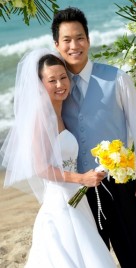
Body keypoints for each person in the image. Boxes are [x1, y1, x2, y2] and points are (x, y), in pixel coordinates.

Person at [51, 7, 136, 268]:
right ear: (56, 45)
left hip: (121, 186)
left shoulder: (117, 78)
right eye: (66, 40)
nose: (74, 45)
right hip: (79, 192)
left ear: (88, 40)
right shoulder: (55, 87)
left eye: (79, 38)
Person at [0, 48, 117, 268]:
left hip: (76, 202)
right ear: (40, 85)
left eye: (63, 77)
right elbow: (40, 168)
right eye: (51, 80)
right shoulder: (39, 120)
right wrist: (82, 179)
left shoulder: (62, 112)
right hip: (59, 205)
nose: (60, 84)